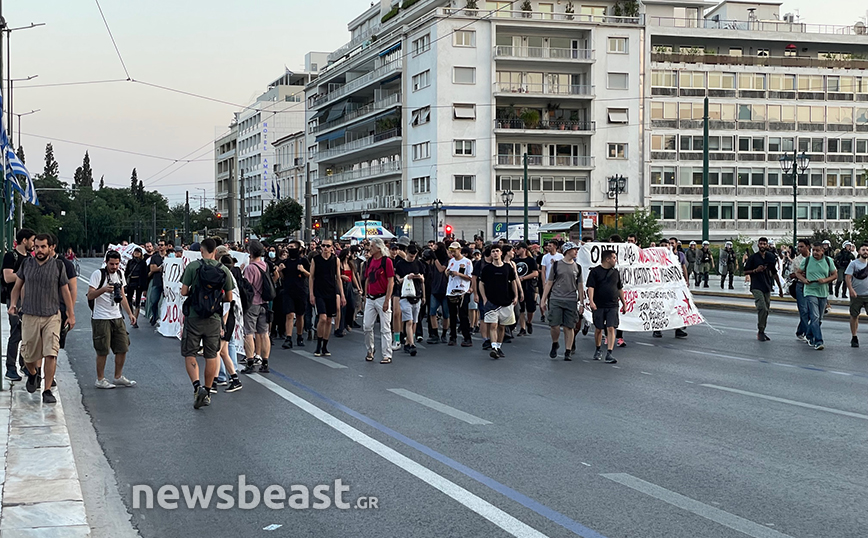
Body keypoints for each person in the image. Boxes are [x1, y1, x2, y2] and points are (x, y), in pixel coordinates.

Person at [8, 234, 75, 404]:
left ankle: (47, 390)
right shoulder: (26, 264)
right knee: (28, 356)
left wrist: (70, 313)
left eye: (43, 247)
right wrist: (13, 304)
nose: (39, 250)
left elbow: (66, 291)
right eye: (36, 247)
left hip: (52, 315)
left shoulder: (58, 266)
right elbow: (17, 286)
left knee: (51, 353)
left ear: (51, 248)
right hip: (30, 315)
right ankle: (33, 374)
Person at [180, 238, 235, 409]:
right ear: (216, 252)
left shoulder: (193, 267)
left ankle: (197, 387)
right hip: (214, 318)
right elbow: (229, 298)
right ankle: (208, 391)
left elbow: (183, 292)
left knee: (191, 353)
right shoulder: (224, 270)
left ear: (201, 250)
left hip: (194, 317)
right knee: (212, 355)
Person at [87, 250, 136, 389]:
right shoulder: (98, 275)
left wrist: (130, 314)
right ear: (106, 262)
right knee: (102, 350)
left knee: (123, 347)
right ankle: (100, 379)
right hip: (101, 318)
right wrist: (103, 290)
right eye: (111, 264)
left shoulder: (120, 274)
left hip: (117, 316)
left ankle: (118, 376)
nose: (114, 267)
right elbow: (90, 295)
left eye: (116, 264)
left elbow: (123, 296)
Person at [539, 242, 583, 361]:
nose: (576, 252)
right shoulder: (557, 265)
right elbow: (549, 283)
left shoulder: (577, 267)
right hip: (556, 298)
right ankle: (555, 343)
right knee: (554, 325)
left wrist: (582, 303)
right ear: (568, 251)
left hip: (571, 299)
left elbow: (580, 286)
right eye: (574, 250)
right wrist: (543, 299)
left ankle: (568, 350)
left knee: (569, 326)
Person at [3, 227, 35, 381]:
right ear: (24, 240)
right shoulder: (11, 256)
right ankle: (10, 368)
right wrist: (23, 275)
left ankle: (25, 365)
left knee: (27, 334)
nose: (34, 244)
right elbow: (8, 277)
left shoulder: (30, 257)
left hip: (29, 299)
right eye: (32, 240)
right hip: (14, 299)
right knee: (16, 333)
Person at [478, 246, 518, 359]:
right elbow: (481, 283)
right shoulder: (487, 269)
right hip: (491, 302)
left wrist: (516, 296)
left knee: (502, 326)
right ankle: (494, 347)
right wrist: (484, 298)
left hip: (506, 301)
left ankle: (499, 347)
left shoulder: (507, 268)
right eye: (493, 252)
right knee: (493, 325)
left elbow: (513, 282)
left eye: (497, 251)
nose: (495, 253)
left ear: (501, 253)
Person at [795, 242, 836, 350]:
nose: (815, 253)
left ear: (823, 251)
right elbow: (798, 273)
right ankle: (818, 341)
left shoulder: (828, 261)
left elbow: (835, 275)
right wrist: (804, 280)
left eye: (817, 250)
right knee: (815, 316)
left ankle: (809, 334)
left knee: (819, 318)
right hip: (810, 291)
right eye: (813, 250)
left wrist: (825, 280)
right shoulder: (807, 261)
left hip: (823, 292)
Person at [240, 241, 273, 374]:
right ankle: (265, 362)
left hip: (252, 303)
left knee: (249, 333)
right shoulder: (265, 265)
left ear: (250, 253)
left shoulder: (250, 268)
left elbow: (246, 286)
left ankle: (250, 361)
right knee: (264, 333)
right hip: (264, 303)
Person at [586, 249, 625, 364]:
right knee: (599, 328)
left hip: (613, 304)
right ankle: (598, 348)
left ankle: (609, 353)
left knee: (611, 327)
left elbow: (619, 288)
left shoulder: (616, 272)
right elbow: (591, 287)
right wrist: (591, 301)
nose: (615, 260)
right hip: (599, 305)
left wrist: (624, 302)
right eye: (613, 258)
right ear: (607, 259)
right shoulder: (595, 272)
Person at [743, 237, 784, 341]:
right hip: (756, 286)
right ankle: (760, 330)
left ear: (767, 245)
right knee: (762, 307)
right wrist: (755, 270)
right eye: (760, 244)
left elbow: (774, 273)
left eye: (764, 244)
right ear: (758, 245)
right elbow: (745, 271)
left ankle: (762, 331)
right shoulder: (753, 258)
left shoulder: (770, 257)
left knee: (766, 310)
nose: (762, 246)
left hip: (767, 286)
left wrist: (780, 288)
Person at [309, 239, 345, 357]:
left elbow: (338, 278)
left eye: (327, 246)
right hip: (319, 292)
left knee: (329, 319)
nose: (325, 248)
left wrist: (342, 295)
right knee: (322, 318)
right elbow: (311, 277)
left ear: (331, 248)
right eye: (323, 245)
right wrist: (311, 294)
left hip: (331, 292)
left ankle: (325, 345)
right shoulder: (316, 260)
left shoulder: (336, 260)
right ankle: (318, 344)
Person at [363, 238, 395, 364]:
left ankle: (387, 354)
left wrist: (387, 300)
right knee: (367, 326)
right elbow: (367, 279)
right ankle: (370, 350)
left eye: (371, 246)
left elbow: (390, 281)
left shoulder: (386, 261)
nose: (369, 248)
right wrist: (365, 295)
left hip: (382, 297)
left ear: (378, 248)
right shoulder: (370, 260)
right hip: (371, 297)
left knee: (385, 327)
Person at [216, 254, 243, 393]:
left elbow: (227, 305)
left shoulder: (225, 282)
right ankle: (234, 379)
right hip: (228, 318)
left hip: (226, 319)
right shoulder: (228, 279)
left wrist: (223, 326)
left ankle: (214, 382)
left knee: (217, 351)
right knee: (223, 352)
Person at [279, 240, 310, 349]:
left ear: (298, 249)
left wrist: (303, 270)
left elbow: (310, 275)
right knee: (290, 314)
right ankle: (288, 338)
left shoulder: (304, 261)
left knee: (300, 315)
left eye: (292, 247)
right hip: (288, 291)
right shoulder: (286, 262)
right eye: (289, 247)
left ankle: (299, 336)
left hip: (301, 290)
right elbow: (283, 278)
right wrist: (280, 271)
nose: (290, 249)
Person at [395, 244, 424, 356]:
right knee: (409, 320)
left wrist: (419, 278)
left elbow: (423, 278)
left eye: (414, 256)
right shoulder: (400, 264)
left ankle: (408, 341)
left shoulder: (418, 263)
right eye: (411, 256)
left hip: (417, 294)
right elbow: (398, 280)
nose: (412, 258)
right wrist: (407, 277)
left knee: (414, 321)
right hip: (405, 295)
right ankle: (412, 344)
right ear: (406, 252)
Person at [445, 242, 473, 347]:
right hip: (451, 290)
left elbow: (470, 277)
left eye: (454, 250)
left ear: (459, 250)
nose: (453, 252)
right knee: (452, 315)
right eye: (451, 250)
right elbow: (447, 272)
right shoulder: (451, 261)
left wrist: (459, 274)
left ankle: (467, 337)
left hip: (462, 291)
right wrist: (448, 273)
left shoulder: (467, 262)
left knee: (463, 315)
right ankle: (453, 336)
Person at [845, 242, 868, 348]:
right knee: (854, 315)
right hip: (856, 295)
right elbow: (848, 277)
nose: (865, 252)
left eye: (867, 250)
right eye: (863, 249)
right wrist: (851, 290)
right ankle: (854, 337)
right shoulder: (853, 264)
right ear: (859, 251)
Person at [513, 243, 539, 336]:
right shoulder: (515, 261)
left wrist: (523, 278)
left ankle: (529, 321)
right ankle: (523, 328)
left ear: (523, 249)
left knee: (530, 308)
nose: (516, 250)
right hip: (518, 287)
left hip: (529, 286)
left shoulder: (531, 260)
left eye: (518, 249)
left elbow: (535, 273)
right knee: (521, 308)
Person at [789, 239, 812, 343]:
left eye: (801, 246)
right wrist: (799, 274)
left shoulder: (814, 258)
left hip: (813, 286)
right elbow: (791, 274)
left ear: (808, 247)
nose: (799, 249)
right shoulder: (797, 260)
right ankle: (807, 334)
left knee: (812, 312)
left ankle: (800, 330)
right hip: (800, 285)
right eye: (798, 247)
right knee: (803, 310)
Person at [336, 247, 361, 338]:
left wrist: (358, 287)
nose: (349, 254)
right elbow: (337, 275)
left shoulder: (350, 264)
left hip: (349, 286)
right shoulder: (340, 263)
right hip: (342, 285)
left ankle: (348, 322)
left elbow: (353, 276)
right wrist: (342, 276)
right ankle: (341, 327)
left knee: (351, 305)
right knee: (343, 307)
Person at [124, 246, 149, 328]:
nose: (136, 254)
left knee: (138, 301)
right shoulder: (130, 262)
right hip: (131, 282)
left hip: (139, 283)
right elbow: (126, 272)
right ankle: (131, 315)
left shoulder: (143, 263)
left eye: (138, 252)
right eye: (135, 252)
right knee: (129, 300)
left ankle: (135, 319)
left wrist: (144, 287)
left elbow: (145, 275)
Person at [146, 240, 166, 325]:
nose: (160, 246)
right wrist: (161, 268)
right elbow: (152, 269)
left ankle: (164, 318)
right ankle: (154, 316)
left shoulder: (170, 256)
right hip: (157, 281)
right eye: (159, 245)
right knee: (154, 301)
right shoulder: (155, 257)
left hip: (167, 283)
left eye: (162, 245)